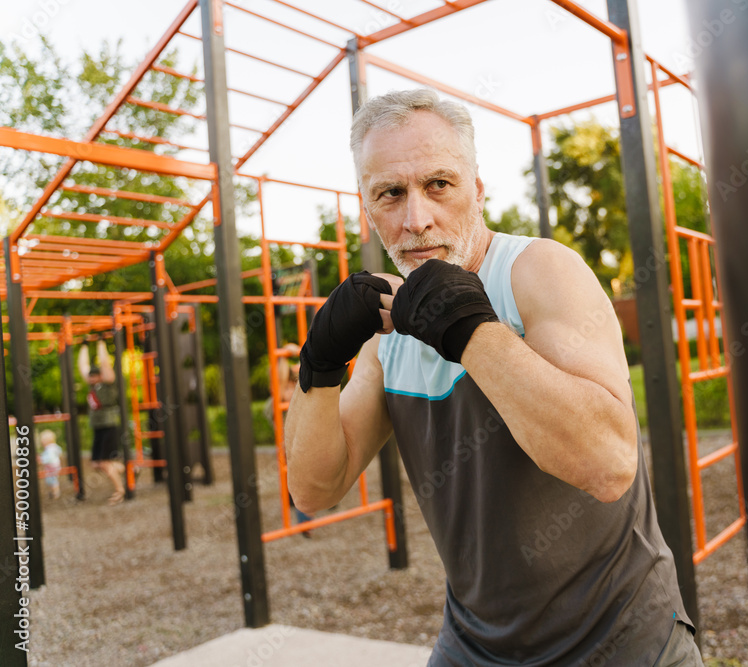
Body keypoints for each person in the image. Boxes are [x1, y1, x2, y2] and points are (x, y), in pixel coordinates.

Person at [285, 89, 702, 666]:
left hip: (621, 638)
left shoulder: (539, 272)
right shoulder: (388, 335)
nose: (416, 218)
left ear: (478, 189)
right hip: (475, 646)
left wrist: (472, 332)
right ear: (368, 207)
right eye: (390, 193)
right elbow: (313, 489)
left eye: (438, 184)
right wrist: (319, 365)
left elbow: (607, 463)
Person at [263, 342, 314, 536]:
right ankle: (304, 522)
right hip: (293, 445)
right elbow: (280, 379)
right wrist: (284, 355)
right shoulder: (276, 399)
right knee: (302, 481)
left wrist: (299, 354)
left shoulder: (297, 390)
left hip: (306, 440)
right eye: (289, 385)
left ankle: (306, 513)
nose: (292, 388)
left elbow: (306, 372)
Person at [78, 340, 126, 505]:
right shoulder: (93, 386)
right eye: (90, 376)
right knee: (96, 463)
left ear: (100, 375)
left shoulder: (107, 383)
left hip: (109, 425)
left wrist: (100, 344)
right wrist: (84, 346)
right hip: (99, 427)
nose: (91, 377)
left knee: (105, 462)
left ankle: (120, 490)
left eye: (94, 375)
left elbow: (105, 364)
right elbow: (83, 367)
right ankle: (129, 469)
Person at [39, 429, 64, 500]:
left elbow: (49, 458)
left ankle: (55, 493)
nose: (42, 442)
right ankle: (54, 492)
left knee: (52, 480)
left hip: (51, 467)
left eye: (43, 440)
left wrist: (41, 460)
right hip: (56, 466)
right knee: (52, 479)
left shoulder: (49, 449)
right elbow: (60, 451)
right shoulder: (54, 446)